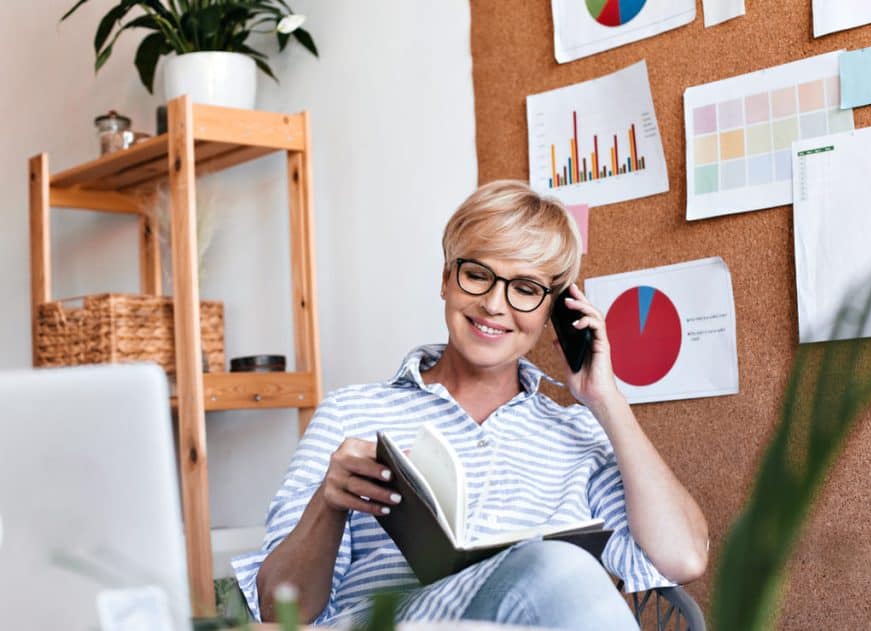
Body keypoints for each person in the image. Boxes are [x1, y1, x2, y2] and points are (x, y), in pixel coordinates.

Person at [233, 180, 709, 629]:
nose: (494, 305)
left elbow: (684, 558)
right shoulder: (350, 414)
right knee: (559, 565)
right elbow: (281, 608)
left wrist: (607, 401)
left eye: (525, 289)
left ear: (554, 312)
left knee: (557, 569)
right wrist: (327, 504)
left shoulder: (579, 435)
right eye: (478, 275)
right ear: (447, 281)